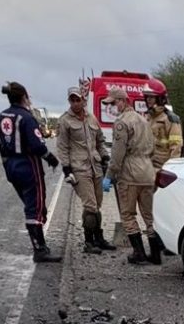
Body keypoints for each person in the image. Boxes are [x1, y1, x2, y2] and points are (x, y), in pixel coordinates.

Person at [0, 81, 62, 263]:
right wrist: (51, 158)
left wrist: (7, 167)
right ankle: (39, 249)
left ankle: (41, 245)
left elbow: (0, 145)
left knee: (30, 204)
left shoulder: (1, 117)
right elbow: (37, 145)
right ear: (24, 96)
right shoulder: (26, 117)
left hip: (11, 165)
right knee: (35, 207)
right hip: (28, 164)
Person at [56, 86, 116, 254]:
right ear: (69, 101)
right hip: (79, 168)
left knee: (97, 205)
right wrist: (67, 169)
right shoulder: (64, 121)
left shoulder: (92, 118)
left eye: (78, 100)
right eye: (72, 100)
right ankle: (89, 242)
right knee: (90, 206)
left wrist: (105, 158)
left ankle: (99, 238)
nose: (75, 103)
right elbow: (62, 147)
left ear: (83, 100)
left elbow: (100, 141)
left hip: (95, 168)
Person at [101, 88, 157, 264]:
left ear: (122, 101)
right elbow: (153, 148)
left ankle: (139, 253)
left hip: (130, 174)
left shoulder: (122, 123)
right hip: (147, 171)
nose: (112, 107)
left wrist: (109, 175)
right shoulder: (144, 120)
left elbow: (117, 154)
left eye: (113, 103)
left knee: (128, 215)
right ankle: (155, 254)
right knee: (149, 215)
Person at [142, 78, 181, 264]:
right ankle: (159, 245)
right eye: (147, 97)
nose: (148, 100)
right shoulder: (147, 117)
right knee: (150, 209)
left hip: (162, 169)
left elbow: (176, 147)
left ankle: (163, 247)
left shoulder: (171, 119)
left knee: (161, 210)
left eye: (152, 97)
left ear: (160, 98)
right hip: (148, 168)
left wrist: (169, 172)